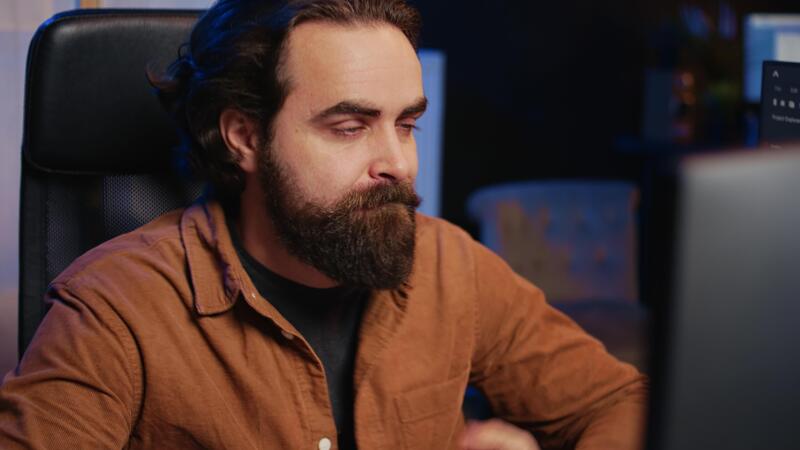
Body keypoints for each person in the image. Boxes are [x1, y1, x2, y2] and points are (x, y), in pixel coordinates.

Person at [0, 0, 647, 449]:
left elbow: (619, 403)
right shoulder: (116, 307)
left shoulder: (452, 266)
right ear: (244, 137)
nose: (397, 163)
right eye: (349, 127)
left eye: (406, 124)